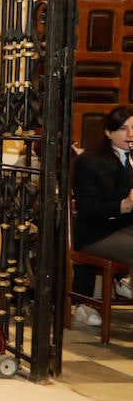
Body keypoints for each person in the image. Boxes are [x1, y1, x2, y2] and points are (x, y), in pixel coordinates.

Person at [71, 107, 133, 327]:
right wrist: (123, 205)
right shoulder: (89, 161)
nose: (131, 134)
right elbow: (87, 209)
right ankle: (126, 282)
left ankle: (127, 282)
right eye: (123, 129)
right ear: (108, 132)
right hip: (97, 233)